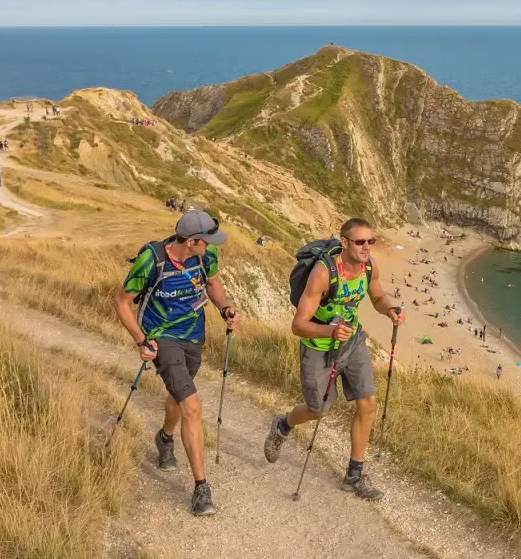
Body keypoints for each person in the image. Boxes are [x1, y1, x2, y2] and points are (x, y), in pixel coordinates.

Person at [263, 218, 404, 499]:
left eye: (370, 241)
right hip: (318, 346)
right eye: (360, 242)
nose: (366, 247)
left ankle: (354, 474)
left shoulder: (369, 267)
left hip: (352, 342)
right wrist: (330, 330)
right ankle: (283, 425)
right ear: (345, 242)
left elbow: (377, 297)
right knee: (319, 410)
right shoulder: (323, 273)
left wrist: (390, 309)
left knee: (368, 402)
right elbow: (298, 324)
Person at [114, 209, 239, 517]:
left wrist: (224, 308)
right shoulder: (152, 260)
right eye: (207, 241)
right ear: (192, 241)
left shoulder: (203, 257)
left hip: (193, 337)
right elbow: (120, 301)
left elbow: (212, 284)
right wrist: (141, 340)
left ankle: (165, 437)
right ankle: (201, 488)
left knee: (177, 399)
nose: (211, 246)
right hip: (162, 339)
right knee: (192, 407)